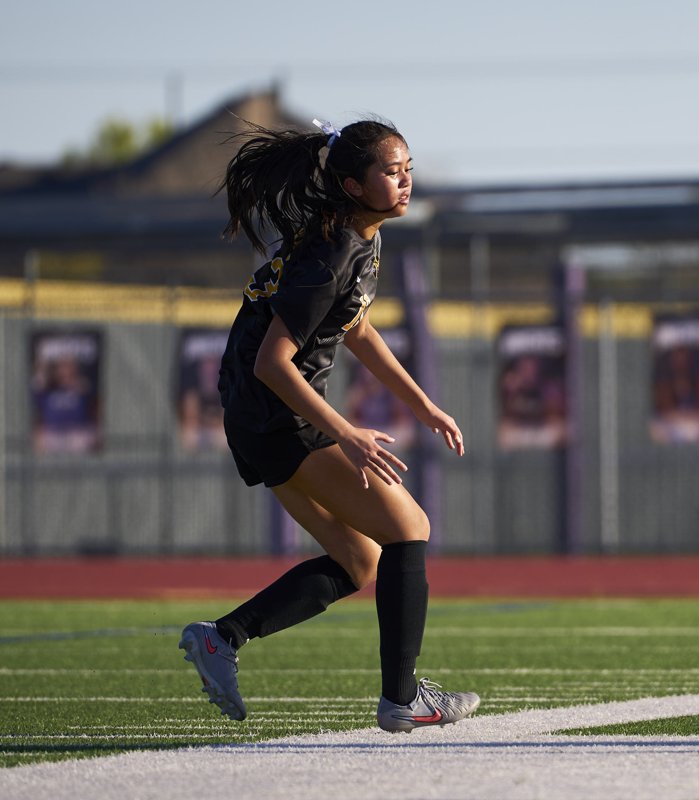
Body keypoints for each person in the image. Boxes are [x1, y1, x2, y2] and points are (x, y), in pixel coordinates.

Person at [178, 117, 480, 733]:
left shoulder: (357, 238)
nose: (405, 181)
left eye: (408, 169)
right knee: (409, 528)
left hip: (258, 416)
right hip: (274, 412)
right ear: (351, 184)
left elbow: (356, 328)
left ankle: (222, 638)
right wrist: (346, 431)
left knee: (358, 560)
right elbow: (273, 362)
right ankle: (401, 698)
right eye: (390, 172)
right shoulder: (335, 248)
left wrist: (423, 405)